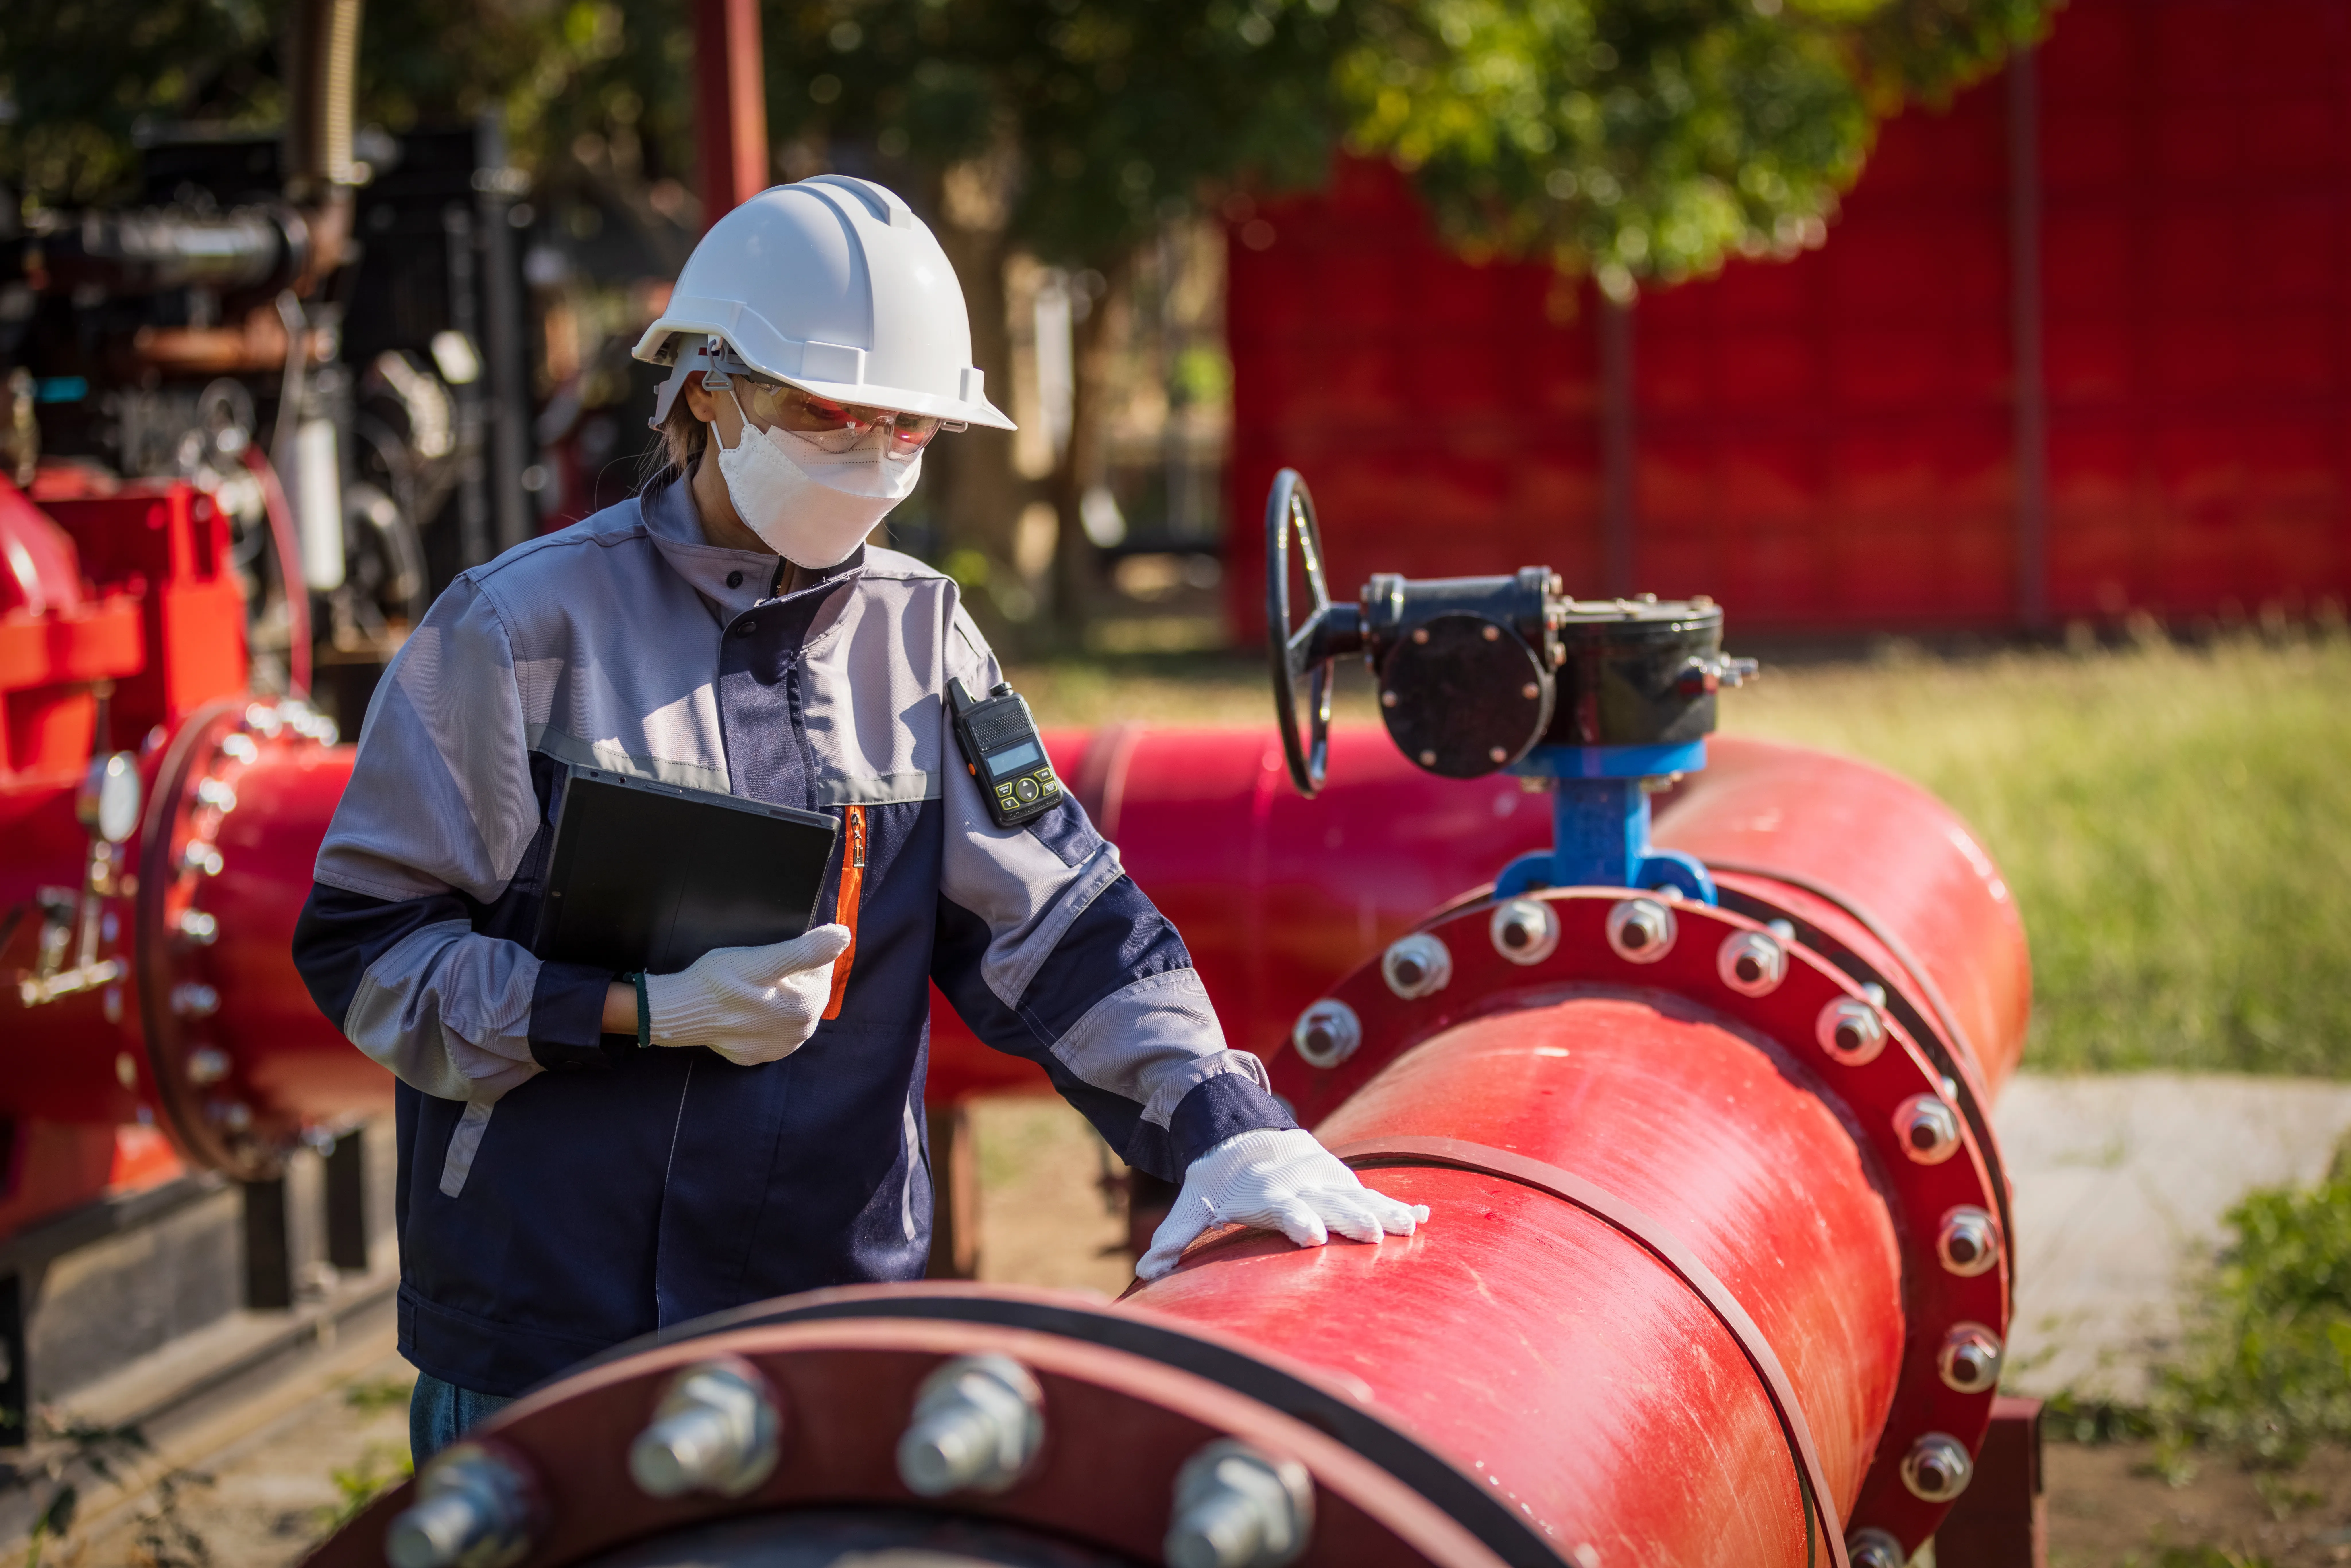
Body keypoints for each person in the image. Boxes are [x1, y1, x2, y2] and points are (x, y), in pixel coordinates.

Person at [290, 174, 1425, 1466]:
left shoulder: (922, 635)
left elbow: (1062, 926)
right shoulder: (515, 633)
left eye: (912, 431)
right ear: (707, 391)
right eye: (833, 415)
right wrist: (635, 1012)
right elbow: (370, 955)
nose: (876, 459)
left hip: (828, 1328)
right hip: (548, 1346)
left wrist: (1220, 1124)